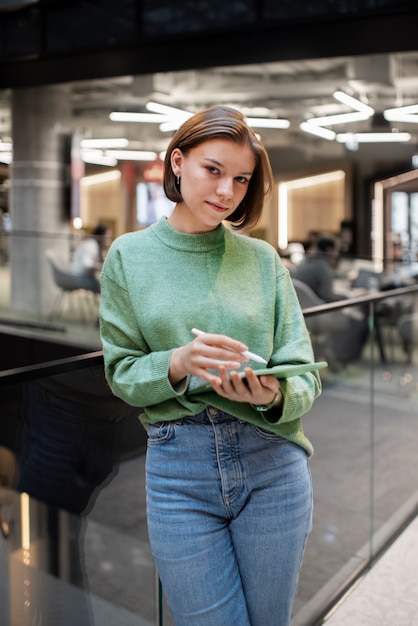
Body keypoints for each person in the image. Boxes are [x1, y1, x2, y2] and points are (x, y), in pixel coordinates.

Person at [99, 105, 322, 626]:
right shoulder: (129, 257)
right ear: (178, 162)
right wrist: (177, 362)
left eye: (241, 179)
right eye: (213, 170)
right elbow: (122, 374)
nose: (226, 192)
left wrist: (270, 395)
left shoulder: (264, 261)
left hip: (273, 463)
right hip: (179, 467)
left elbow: (305, 374)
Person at [294, 234, 346, 302]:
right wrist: (348, 296)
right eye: (336, 250)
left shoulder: (305, 261)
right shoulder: (322, 267)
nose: (337, 254)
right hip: (317, 308)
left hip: (302, 305)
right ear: (329, 250)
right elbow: (328, 297)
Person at [70, 223, 111, 293]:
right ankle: (99, 303)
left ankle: (97, 302)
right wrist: (98, 265)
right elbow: (85, 263)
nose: (108, 238)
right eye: (107, 235)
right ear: (101, 235)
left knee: (100, 282)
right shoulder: (92, 245)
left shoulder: (93, 244)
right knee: (103, 286)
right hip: (79, 276)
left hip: (81, 275)